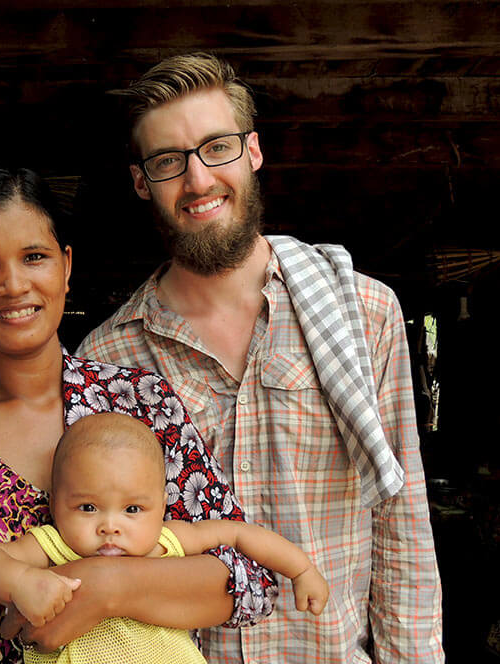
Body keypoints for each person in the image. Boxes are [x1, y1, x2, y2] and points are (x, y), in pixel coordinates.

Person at [77, 53, 444, 663]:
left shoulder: (363, 313)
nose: (197, 181)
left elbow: (401, 523)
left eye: (216, 147)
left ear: (253, 151)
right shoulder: (109, 357)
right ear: (142, 182)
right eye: (168, 161)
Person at [0, 164, 277, 664]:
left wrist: (109, 586)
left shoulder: (142, 402)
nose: (14, 285)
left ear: (65, 266)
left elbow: (247, 579)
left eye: (34, 257)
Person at [0, 412, 329, 664]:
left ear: (162, 505)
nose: (110, 526)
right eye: (88, 508)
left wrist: (301, 570)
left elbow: (239, 533)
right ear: (55, 504)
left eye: (132, 510)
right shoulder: (53, 545)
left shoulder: (167, 541)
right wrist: (20, 580)